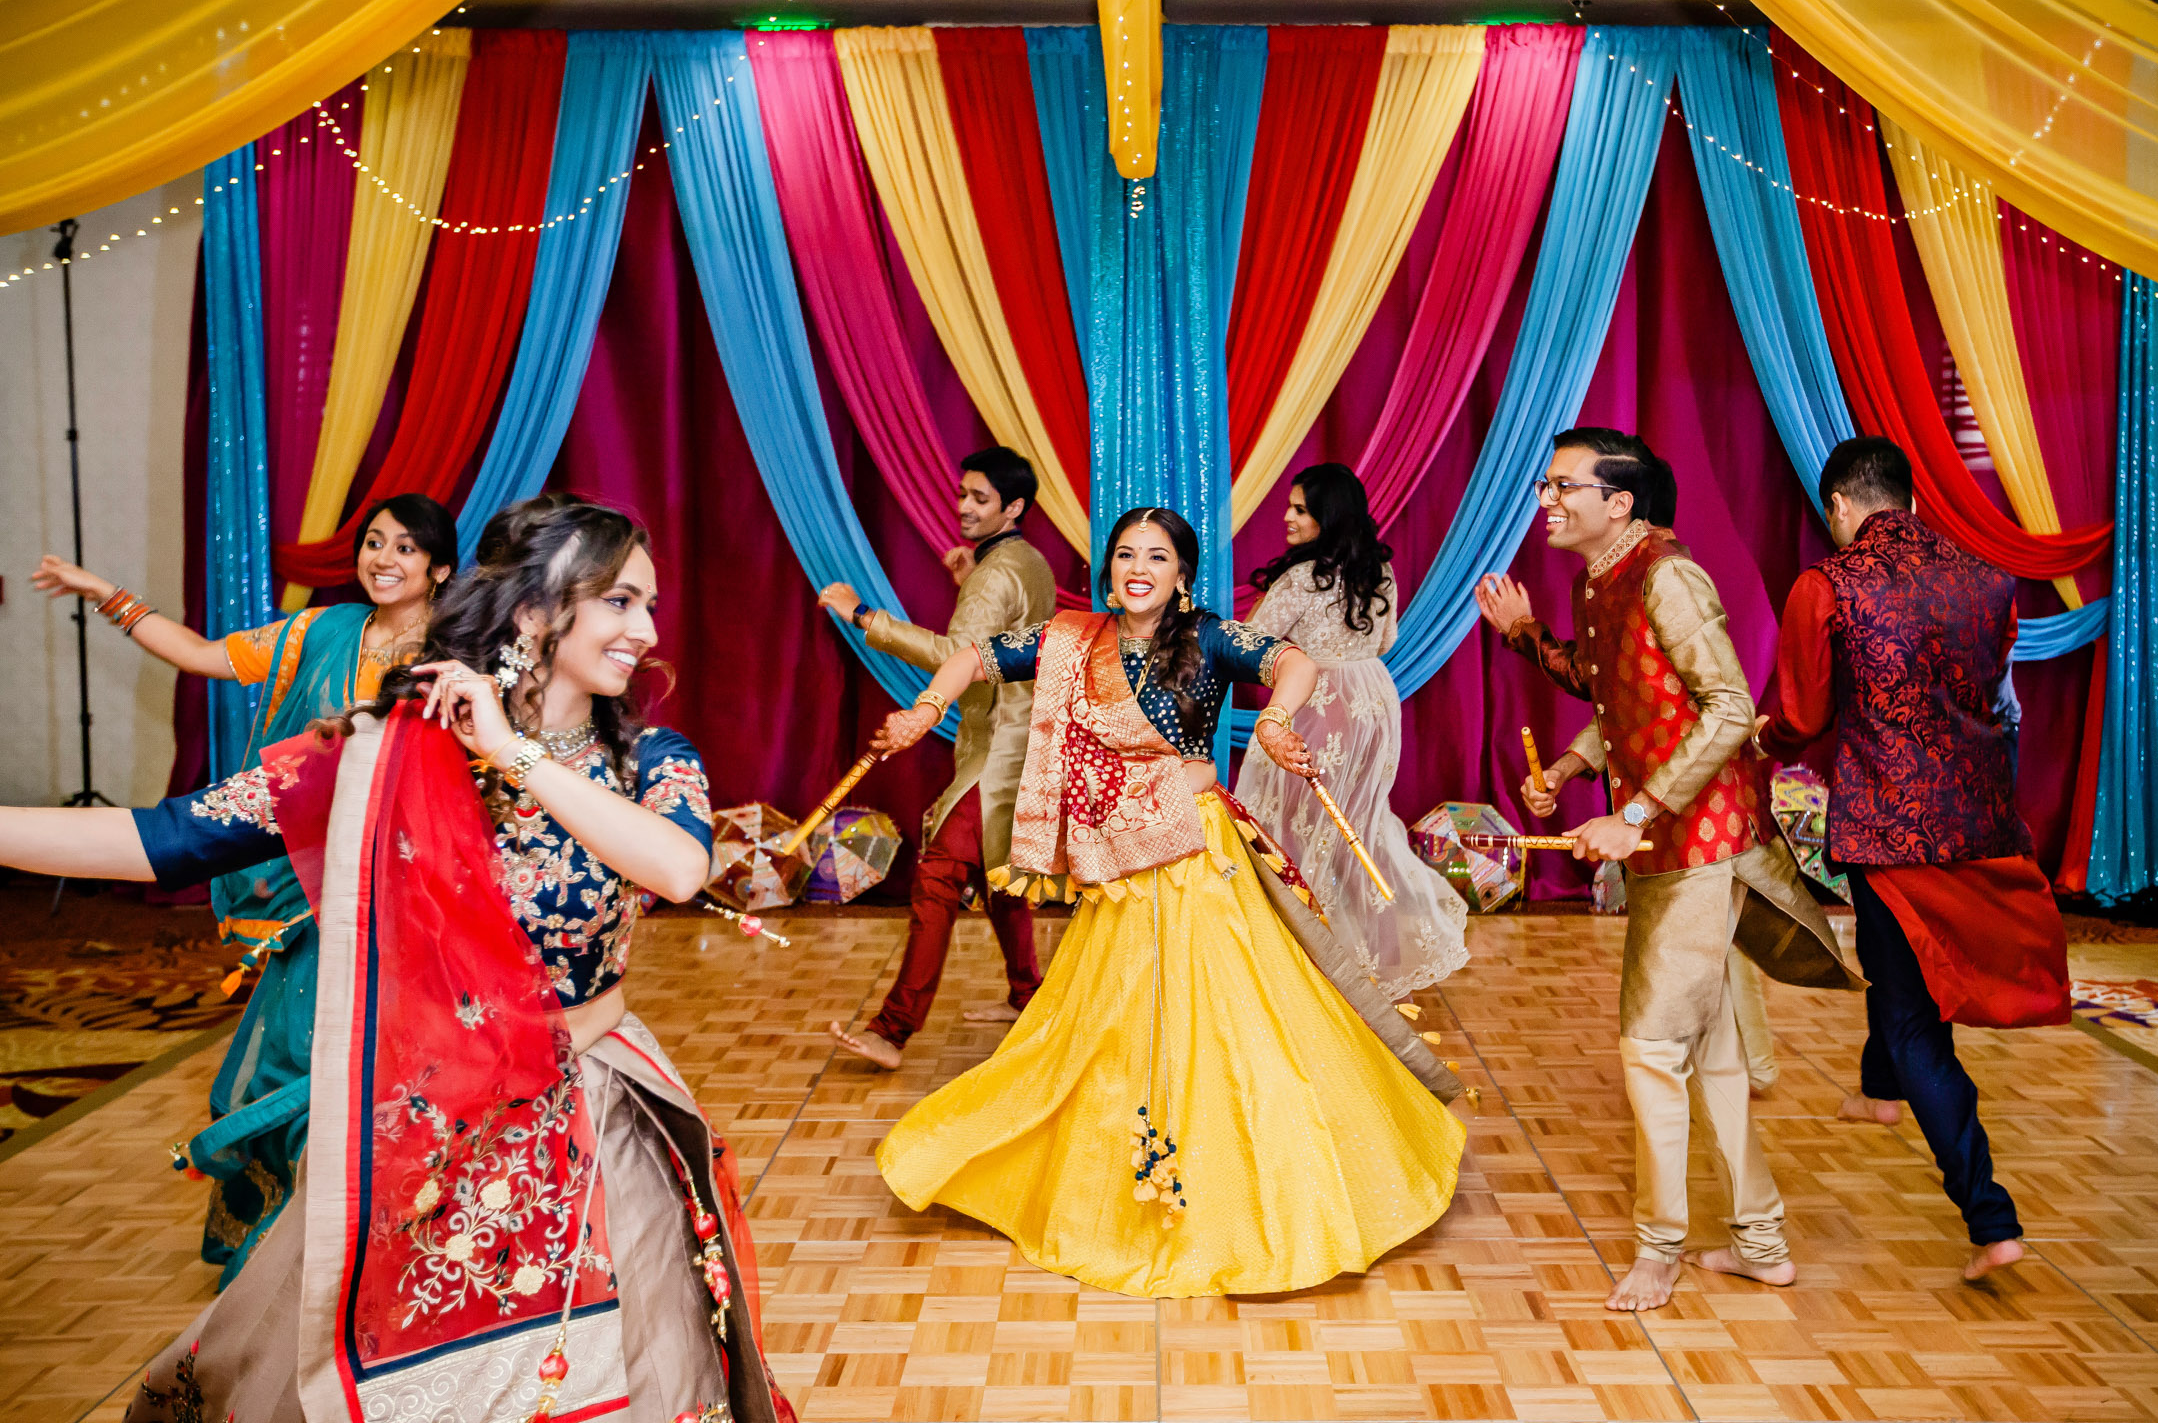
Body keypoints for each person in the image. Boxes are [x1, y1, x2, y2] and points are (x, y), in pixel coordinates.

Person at [3, 496, 792, 1423]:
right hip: (435, 1118)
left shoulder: (653, 759)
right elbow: (171, 839)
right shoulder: (389, 751)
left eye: (649, 605)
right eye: (620, 602)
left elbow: (676, 864)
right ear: (535, 612)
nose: (647, 631)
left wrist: (512, 749)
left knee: (623, 1369)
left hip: (597, 1109)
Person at [865, 506, 1468, 1299]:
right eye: (1123, 554)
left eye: (1156, 555)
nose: (1137, 567)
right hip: (1121, 855)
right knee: (1109, 1020)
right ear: (1109, 569)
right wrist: (925, 709)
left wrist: (1278, 719)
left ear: (1182, 572)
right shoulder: (1077, 640)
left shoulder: (1212, 636)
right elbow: (977, 655)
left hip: (1193, 850)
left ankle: (1266, 1180)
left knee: (1232, 1017)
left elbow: (1293, 661)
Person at [1474, 428, 1863, 1312]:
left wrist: (1636, 812)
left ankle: (1660, 1248)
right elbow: (1623, 691)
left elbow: (1728, 707)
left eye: (1562, 484)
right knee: (1715, 1054)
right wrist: (1574, 767)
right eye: (1545, 482)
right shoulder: (1600, 576)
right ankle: (1760, 1241)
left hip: (1701, 842)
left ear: (1620, 502)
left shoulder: (1667, 574)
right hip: (1676, 844)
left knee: (1650, 1048)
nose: (1545, 498)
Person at [32, 493, 458, 1282]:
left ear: (438, 566)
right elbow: (201, 656)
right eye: (372, 543)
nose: (383, 559)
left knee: (405, 1061)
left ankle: (398, 1237)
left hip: (410, 887)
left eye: (405, 547)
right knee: (299, 1056)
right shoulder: (322, 630)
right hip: (311, 881)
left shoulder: (459, 650)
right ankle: (295, 1247)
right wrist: (103, 593)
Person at [1758, 436, 2069, 1283]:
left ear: (1841, 510)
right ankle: (1878, 1093)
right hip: (1980, 822)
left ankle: (1990, 1219)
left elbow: (1804, 717)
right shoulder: (1988, 580)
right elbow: (1989, 692)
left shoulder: (1828, 583)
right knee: (1888, 963)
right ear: (1914, 502)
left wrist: (1763, 739)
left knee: (1910, 1016)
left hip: (1888, 831)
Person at [815, 448, 1057, 1068]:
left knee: (939, 874)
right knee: (999, 879)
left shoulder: (997, 572)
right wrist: (968, 581)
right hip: (1019, 740)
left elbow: (958, 651)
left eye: (980, 499)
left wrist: (862, 616)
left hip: (1001, 751)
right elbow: (1006, 635)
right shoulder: (1025, 561)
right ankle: (1028, 997)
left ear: (1014, 507)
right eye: (962, 495)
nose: (964, 508)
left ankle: (892, 1031)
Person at [1237, 463, 1469, 997]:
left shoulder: (1300, 577)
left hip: (1318, 699)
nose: (1287, 517)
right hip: (1373, 701)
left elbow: (1253, 645)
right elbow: (1385, 640)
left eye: (1299, 508)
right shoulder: (1377, 571)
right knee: (1356, 823)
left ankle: (1306, 954)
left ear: (1327, 513)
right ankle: (1366, 952)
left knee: (1294, 825)